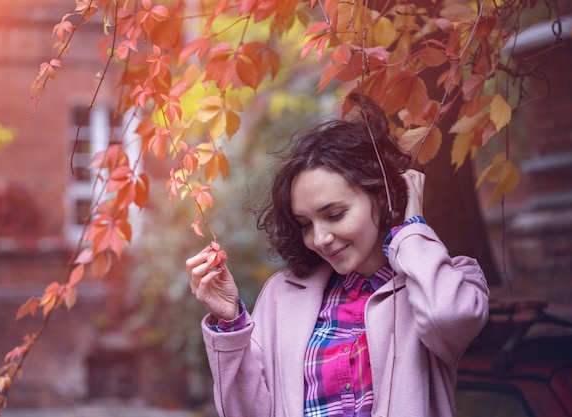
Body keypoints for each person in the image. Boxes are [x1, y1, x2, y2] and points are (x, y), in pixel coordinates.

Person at [186, 95, 490, 417]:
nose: (319, 239)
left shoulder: (439, 282)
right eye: (305, 224)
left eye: (335, 214)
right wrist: (231, 321)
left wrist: (412, 226)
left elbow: (451, 317)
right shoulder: (282, 296)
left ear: (382, 195)